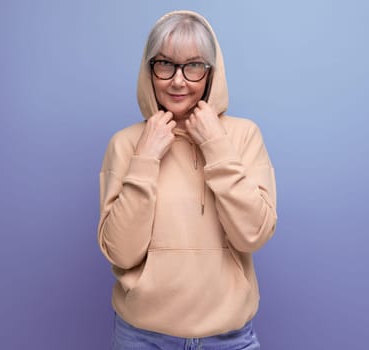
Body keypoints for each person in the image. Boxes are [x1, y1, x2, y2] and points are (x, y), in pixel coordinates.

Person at [97, 10, 277, 350]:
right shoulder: (125, 143)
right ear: (148, 70)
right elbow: (120, 252)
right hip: (142, 337)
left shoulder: (243, 136)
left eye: (193, 66)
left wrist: (215, 145)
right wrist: (146, 158)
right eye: (165, 64)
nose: (178, 80)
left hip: (229, 338)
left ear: (211, 73)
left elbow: (253, 234)